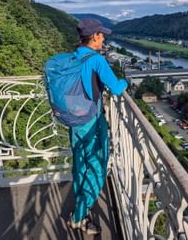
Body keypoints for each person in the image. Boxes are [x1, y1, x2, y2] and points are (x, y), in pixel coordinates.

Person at [66, 18, 127, 235]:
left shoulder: (73, 56)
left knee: (80, 166)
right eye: (102, 35)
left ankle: (80, 207)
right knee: (97, 168)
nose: (104, 38)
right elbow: (117, 89)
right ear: (94, 37)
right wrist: (126, 81)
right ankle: (79, 216)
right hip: (92, 122)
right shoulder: (96, 60)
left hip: (74, 120)